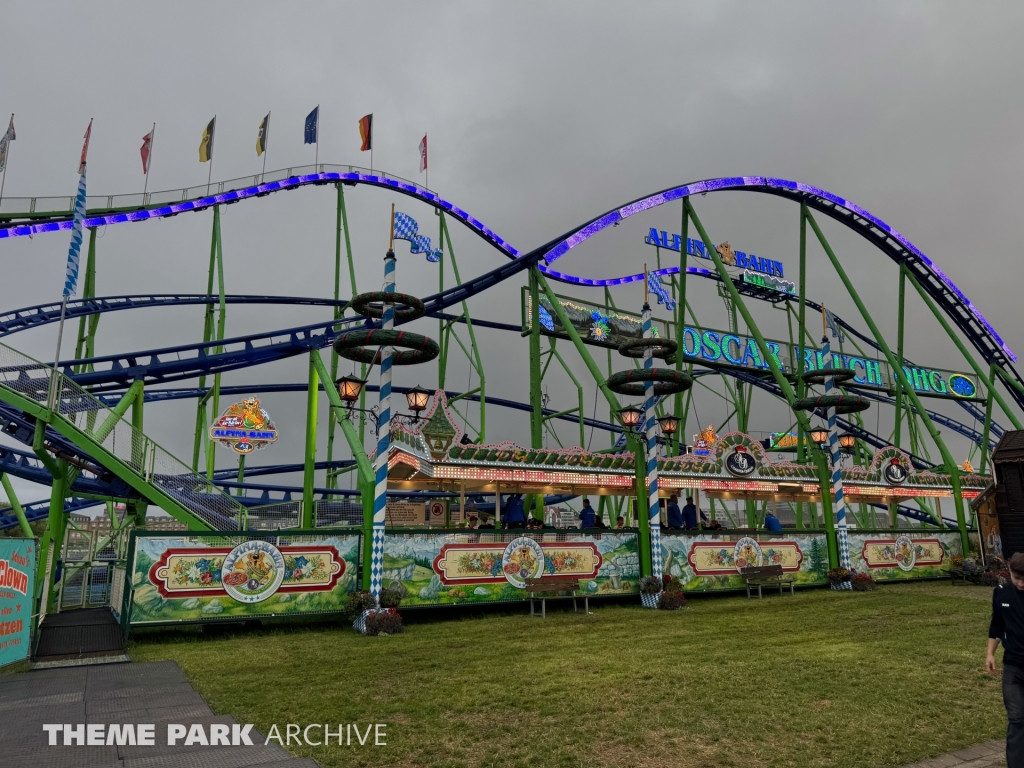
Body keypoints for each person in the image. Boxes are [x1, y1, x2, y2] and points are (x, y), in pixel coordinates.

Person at [988, 551, 1024, 768]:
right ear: (1009, 572)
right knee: (1018, 719)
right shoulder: (1001, 593)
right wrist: (990, 653)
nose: (1021, 584)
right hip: (1013, 667)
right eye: (1017, 578)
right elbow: (997, 625)